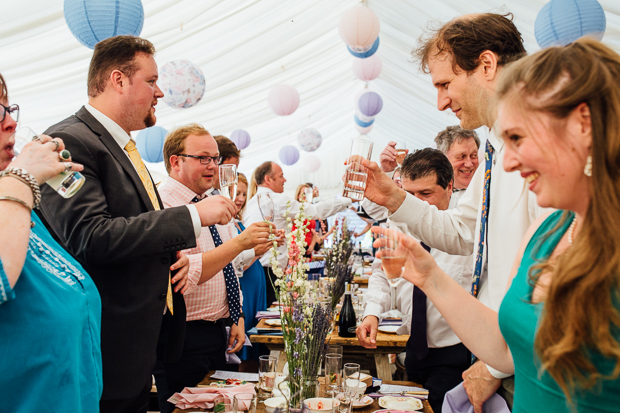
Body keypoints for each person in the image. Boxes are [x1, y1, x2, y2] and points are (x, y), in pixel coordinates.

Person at [374, 37, 620, 413]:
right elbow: (506, 349)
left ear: (583, 124)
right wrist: (429, 277)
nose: (507, 163)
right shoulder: (548, 232)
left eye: (519, 137)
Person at [37, 36, 237, 413]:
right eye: (152, 81)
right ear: (118, 80)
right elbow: (90, 236)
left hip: (142, 346)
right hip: (106, 348)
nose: (160, 92)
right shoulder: (70, 141)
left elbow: (138, 229)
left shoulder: (124, 148)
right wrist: (194, 216)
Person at [354, 13, 543, 409]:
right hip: (498, 350)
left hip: (529, 362)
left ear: (487, 66)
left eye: (445, 83)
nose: (440, 102)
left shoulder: (537, 140)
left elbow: (548, 274)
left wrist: (494, 367)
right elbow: (463, 231)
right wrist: (393, 198)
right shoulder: (494, 148)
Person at [0, 73, 102, 412]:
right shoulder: (15, 194)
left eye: (7, 107)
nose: (11, 122)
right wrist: (21, 178)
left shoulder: (16, 206)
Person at [154, 124, 271, 413]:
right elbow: (181, 276)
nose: (213, 166)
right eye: (203, 158)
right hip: (181, 337)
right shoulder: (162, 205)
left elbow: (228, 267)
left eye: (216, 159)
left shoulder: (209, 201)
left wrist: (236, 315)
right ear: (176, 161)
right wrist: (241, 242)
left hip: (215, 332)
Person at [357, 149, 472, 412]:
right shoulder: (399, 222)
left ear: (449, 187)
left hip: (455, 354)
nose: (416, 204)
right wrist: (372, 314)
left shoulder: (467, 232)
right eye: (410, 195)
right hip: (413, 351)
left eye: (426, 194)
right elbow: (382, 272)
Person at [245, 161, 351, 306]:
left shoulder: (250, 203)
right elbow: (314, 211)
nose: (285, 180)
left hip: (251, 271)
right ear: (268, 179)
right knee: (269, 317)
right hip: (268, 274)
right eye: (281, 176)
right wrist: (347, 200)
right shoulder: (278, 200)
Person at [233, 173, 270, 368]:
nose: (240, 198)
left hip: (255, 285)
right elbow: (236, 263)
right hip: (245, 286)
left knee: (255, 334)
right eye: (236, 193)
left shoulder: (239, 222)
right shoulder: (227, 224)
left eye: (243, 194)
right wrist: (258, 252)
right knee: (245, 336)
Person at [434, 126, 480, 192]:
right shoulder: (431, 194)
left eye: (473, 155)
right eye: (461, 157)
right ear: (443, 160)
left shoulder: (491, 191)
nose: (469, 164)